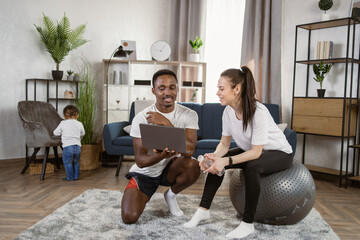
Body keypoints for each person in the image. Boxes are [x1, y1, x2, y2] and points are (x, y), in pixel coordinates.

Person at [183, 67, 293, 239]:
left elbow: (256, 153)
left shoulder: (258, 112)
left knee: (251, 166)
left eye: (221, 88)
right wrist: (214, 157)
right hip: (254, 151)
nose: (217, 93)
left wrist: (225, 162)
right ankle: (203, 210)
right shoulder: (228, 112)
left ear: (236, 89)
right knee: (217, 160)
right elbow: (224, 145)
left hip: (279, 153)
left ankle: (248, 224)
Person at [121, 69, 200, 224]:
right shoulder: (142, 118)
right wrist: (160, 156)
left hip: (170, 170)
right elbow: (140, 161)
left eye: (172, 87)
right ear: (154, 91)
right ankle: (144, 195)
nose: (167, 92)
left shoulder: (189, 114)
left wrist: (166, 123)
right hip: (145, 173)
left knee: (193, 165)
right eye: (161, 88)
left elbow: (189, 150)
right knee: (129, 217)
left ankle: (170, 195)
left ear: (177, 89)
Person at [53, 105, 85, 181]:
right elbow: (82, 133)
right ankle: (76, 176)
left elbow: (55, 133)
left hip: (68, 147)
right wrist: (78, 138)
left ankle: (70, 177)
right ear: (77, 115)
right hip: (77, 147)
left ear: (64, 116)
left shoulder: (63, 123)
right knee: (76, 162)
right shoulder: (79, 123)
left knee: (68, 163)